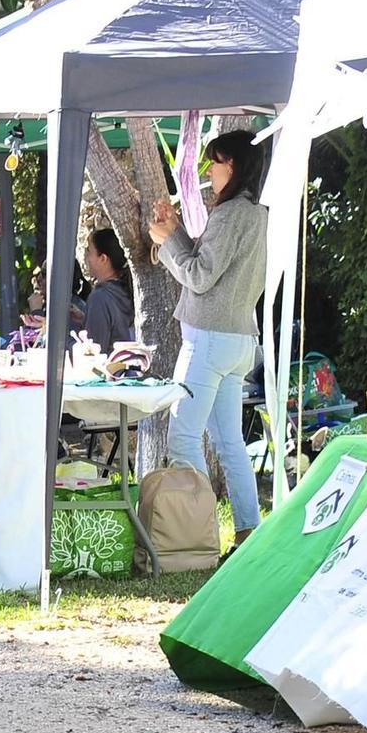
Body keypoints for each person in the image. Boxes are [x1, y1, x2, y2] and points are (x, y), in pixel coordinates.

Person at [148, 129, 269, 549]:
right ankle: (247, 532)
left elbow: (199, 276)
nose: (209, 171)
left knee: (183, 437)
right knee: (230, 443)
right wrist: (174, 232)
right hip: (239, 339)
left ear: (231, 166)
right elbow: (208, 263)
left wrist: (168, 242)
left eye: (214, 163)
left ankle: (199, 536)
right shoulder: (255, 213)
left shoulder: (230, 213)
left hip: (210, 340)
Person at [81, 229, 135, 349]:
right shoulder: (124, 290)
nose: (86, 258)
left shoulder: (99, 297)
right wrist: (83, 317)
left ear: (103, 259)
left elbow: (93, 350)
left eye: (89, 251)